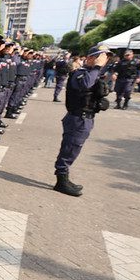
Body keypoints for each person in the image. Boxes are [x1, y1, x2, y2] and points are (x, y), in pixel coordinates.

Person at [53, 45, 110, 196]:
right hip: (78, 118)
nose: (104, 60)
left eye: (105, 57)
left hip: (86, 118)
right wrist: (97, 67)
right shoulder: (80, 73)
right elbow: (85, 84)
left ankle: (64, 178)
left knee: (74, 148)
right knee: (70, 148)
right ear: (90, 58)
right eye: (100, 57)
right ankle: (61, 181)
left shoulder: (94, 73)